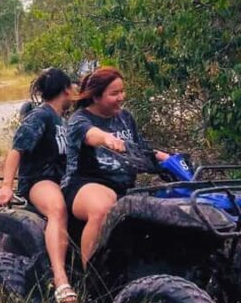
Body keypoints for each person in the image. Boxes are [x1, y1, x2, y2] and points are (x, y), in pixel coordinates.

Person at [62, 66, 169, 268]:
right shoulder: (80, 120)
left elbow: (142, 149)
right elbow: (91, 134)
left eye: (122, 91)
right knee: (103, 208)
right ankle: (91, 279)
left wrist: (170, 159)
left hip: (125, 186)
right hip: (85, 184)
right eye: (114, 93)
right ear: (96, 97)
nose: (121, 97)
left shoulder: (125, 117)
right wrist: (106, 138)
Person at [0, 68, 79, 303]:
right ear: (66, 89)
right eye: (72, 87)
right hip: (38, 180)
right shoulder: (40, 116)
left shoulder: (62, 120)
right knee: (57, 209)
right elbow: (16, 150)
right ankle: (60, 279)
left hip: (61, 180)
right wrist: (6, 186)